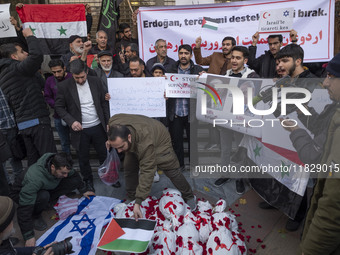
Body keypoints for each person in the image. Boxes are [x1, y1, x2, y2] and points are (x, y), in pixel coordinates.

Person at [107, 114, 196, 220]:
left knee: (171, 171)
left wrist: (139, 202)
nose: (119, 151)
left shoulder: (145, 144)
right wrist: (111, 142)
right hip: (140, 135)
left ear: (129, 137)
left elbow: (147, 172)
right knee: (129, 166)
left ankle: (189, 195)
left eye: (121, 147)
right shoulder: (114, 122)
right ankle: (131, 196)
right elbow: (110, 124)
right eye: (116, 147)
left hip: (159, 140)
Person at [296, 53, 340, 255]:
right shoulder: (335, 108)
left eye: (331, 76)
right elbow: (316, 124)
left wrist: (294, 132)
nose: (325, 82)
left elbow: (332, 209)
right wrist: (299, 107)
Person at [9, 153, 94, 247]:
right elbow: (24, 209)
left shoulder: (61, 164)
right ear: (53, 167)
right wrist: (28, 236)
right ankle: (36, 215)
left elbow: (74, 175)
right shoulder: (35, 179)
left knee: (73, 181)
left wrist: (83, 190)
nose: (66, 175)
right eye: (63, 173)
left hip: (46, 186)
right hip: (21, 194)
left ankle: (47, 201)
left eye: (66, 172)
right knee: (43, 196)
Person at [0, 28, 56, 167]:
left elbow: (36, 82)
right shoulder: (17, 69)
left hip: (24, 125)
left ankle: (34, 188)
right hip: (37, 122)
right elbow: (36, 56)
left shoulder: (5, 74)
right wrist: (30, 36)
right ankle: (55, 188)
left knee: (34, 162)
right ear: (14, 57)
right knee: (49, 159)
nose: (26, 53)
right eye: (22, 52)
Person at [55, 59, 109, 192]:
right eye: (76, 78)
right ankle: (88, 181)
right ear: (71, 74)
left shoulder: (96, 81)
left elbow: (103, 103)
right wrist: (71, 121)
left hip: (98, 126)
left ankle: (108, 177)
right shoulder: (64, 86)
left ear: (86, 72)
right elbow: (59, 107)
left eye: (82, 77)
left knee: (104, 154)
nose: (80, 80)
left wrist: (108, 122)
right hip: (80, 129)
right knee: (83, 158)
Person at [214, 46, 259, 192]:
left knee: (241, 150)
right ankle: (225, 174)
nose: (234, 60)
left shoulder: (253, 76)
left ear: (245, 60)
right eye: (232, 57)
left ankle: (240, 178)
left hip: (241, 120)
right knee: (225, 149)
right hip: (225, 119)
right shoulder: (225, 74)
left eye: (238, 58)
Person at [168, 44, 204, 170]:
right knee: (177, 142)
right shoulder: (171, 69)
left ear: (191, 55)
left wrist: (203, 78)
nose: (183, 56)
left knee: (193, 142)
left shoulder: (198, 70)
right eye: (181, 53)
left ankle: (195, 166)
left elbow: (205, 90)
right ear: (178, 54)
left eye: (186, 53)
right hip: (176, 112)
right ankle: (180, 165)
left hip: (191, 113)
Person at [44, 59, 73, 155]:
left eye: (59, 71)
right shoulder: (49, 80)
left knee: (78, 141)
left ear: (64, 68)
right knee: (64, 142)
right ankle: (67, 164)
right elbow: (47, 97)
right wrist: (57, 106)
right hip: (58, 116)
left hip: (73, 114)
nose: (56, 75)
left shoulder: (72, 77)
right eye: (54, 72)